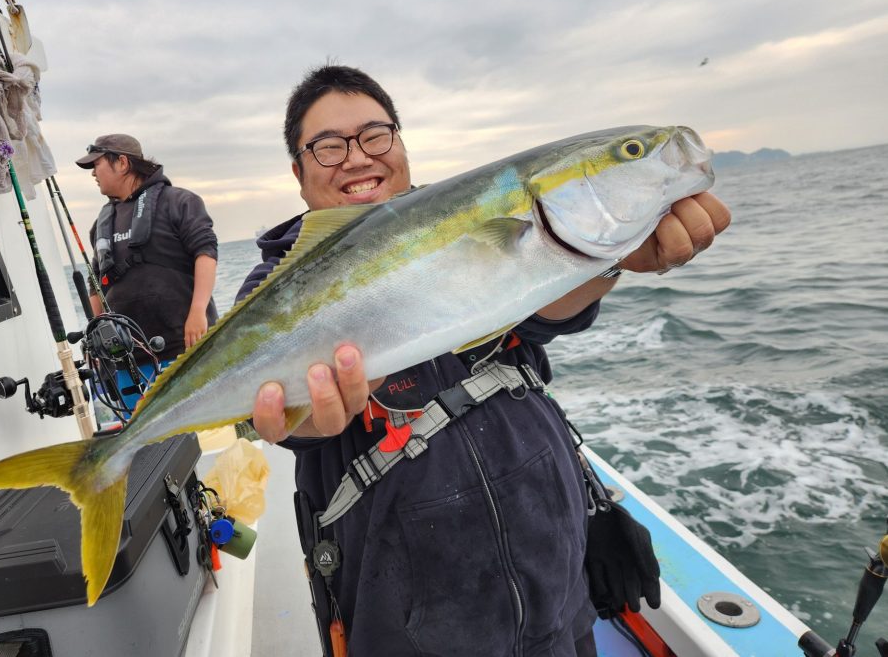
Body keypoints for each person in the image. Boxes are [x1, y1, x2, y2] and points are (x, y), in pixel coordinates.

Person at [239, 66, 731, 656]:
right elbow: (269, 414)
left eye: (375, 135)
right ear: (298, 172)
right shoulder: (273, 287)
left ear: (400, 144)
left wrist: (615, 259)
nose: (355, 157)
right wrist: (305, 420)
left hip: (556, 591)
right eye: (327, 146)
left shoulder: (474, 224)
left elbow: (546, 309)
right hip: (406, 622)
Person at [76, 134, 218, 410]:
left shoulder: (179, 202)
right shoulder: (101, 224)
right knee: (150, 448)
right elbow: (97, 286)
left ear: (123, 163)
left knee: (197, 432)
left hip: (184, 349)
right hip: (128, 360)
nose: (93, 173)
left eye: (97, 164)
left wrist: (198, 311)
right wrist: (96, 338)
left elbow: (206, 253)